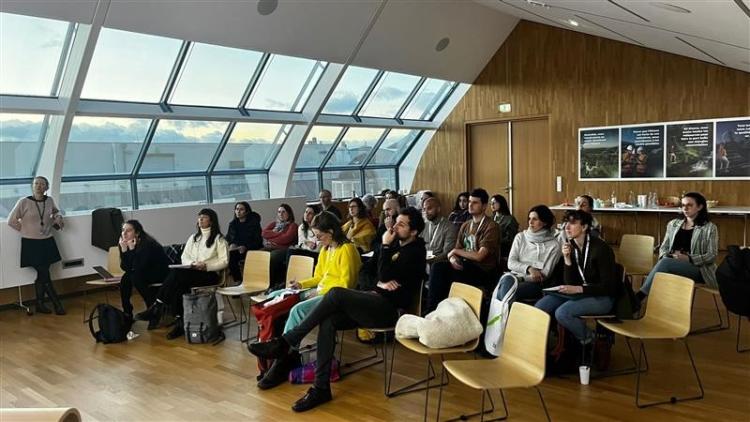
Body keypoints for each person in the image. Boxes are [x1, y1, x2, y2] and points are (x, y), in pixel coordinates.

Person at [248, 207, 426, 411]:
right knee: (328, 320)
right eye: (396, 221)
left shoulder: (415, 252)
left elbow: (383, 274)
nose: (394, 226)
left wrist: (384, 252)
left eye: (401, 224)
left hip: (389, 310)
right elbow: (364, 273)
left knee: (336, 293)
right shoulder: (392, 244)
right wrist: (379, 282)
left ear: (413, 231)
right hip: (371, 300)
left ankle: (287, 341)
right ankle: (321, 387)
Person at [254, 211, 362, 390]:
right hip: (322, 292)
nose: (318, 240)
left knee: (297, 310)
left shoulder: (347, 249)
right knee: (275, 296)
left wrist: (316, 293)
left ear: (331, 231)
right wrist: (301, 284)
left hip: (337, 298)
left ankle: (285, 357)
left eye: (320, 236)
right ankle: (274, 352)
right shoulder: (326, 250)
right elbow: (319, 276)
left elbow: (345, 285)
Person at [136, 208, 228, 339]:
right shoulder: (193, 238)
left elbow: (224, 261)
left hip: (209, 274)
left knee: (177, 275)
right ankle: (180, 321)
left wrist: (206, 265)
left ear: (212, 221)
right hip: (192, 271)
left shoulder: (219, 240)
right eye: (199, 217)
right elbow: (185, 256)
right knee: (179, 285)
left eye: (204, 217)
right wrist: (193, 263)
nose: (200, 219)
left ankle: (158, 307)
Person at [535, 210, 617, 344]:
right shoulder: (571, 245)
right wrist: (567, 260)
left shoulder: (601, 249)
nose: (567, 227)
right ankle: (548, 346)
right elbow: (570, 282)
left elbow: (608, 287)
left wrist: (579, 289)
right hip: (582, 293)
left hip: (602, 297)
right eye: (566, 222)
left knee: (562, 313)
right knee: (541, 306)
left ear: (584, 227)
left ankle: (591, 339)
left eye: (572, 223)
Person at [427, 188, 499, 312]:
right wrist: (453, 258)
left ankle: (432, 312)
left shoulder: (491, 226)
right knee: (439, 268)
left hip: (483, 271)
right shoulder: (466, 225)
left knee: (440, 271)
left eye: (475, 202)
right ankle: (437, 313)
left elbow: (479, 256)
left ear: (484, 206)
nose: (470, 205)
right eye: (470, 201)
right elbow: (456, 250)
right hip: (466, 267)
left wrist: (454, 252)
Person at [637, 192, 718, 301]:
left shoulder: (709, 228)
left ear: (700, 207)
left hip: (699, 269)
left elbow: (711, 255)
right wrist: (669, 256)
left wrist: (689, 258)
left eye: (689, 205)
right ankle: (658, 306)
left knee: (665, 264)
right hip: (673, 262)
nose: (685, 208)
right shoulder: (673, 224)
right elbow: (663, 247)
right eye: (683, 205)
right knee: (665, 261)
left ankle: (639, 298)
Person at [7, 176, 65, 315]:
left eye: (42, 184)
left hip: (47, 241)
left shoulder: (49, 200)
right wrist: (25, 230)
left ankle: (40, 304)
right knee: (44, 273)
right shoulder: (24, 202)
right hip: (31, 243)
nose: (38, 186)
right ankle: (57, 304)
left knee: (42, 274)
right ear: (32, 186)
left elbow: (56, 212)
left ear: (46, 187)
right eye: (36, 184)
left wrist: (58, 217)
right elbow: (11, 220)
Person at [494, 205, 561, 305]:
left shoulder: (554, 245)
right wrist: (529, 269)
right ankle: (507, 318)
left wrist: (523, 278)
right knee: (507, 283)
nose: (530, 222)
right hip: (513, 277)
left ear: (544, 222)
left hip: (535, 284)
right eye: (529, 219)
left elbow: (545, 274)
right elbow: (511, 263)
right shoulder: (520, 237)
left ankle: (502, 318)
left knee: (506, 290)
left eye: (535, 219)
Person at [118, 220, 169, 322]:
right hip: (142, 273)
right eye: (123, 230)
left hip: (159, 273)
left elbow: (139, 267)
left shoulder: (148, 244)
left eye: (128, 231)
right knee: (126, 278)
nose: (124, 233)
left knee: (134, 276)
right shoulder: (126, 243)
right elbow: (126, 268)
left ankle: (152, 308)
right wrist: (124, 251)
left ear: (137, 233)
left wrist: (132, 250)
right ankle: (127, 311)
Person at [225, 201, 262, 282]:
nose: (238, 211)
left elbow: (258, 241)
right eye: (237, 209)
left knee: (232, 257)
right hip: (237, 249)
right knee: (230, 255)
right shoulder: (233, 224)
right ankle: (237, 280)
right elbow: (228, 238)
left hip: (251, 248)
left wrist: (246, 247)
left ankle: (239, 281)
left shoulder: (254, 223)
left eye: (241, 209)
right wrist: (232, 244)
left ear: (247, 211)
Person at [421, 197, 457, 263]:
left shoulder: (449, 227)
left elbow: (447, 253)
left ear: (438, 209)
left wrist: (426, 261)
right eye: (424, 209)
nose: (426, 212)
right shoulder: (424, 226)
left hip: (439, 264)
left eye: (429, 208)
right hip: (423, 261)